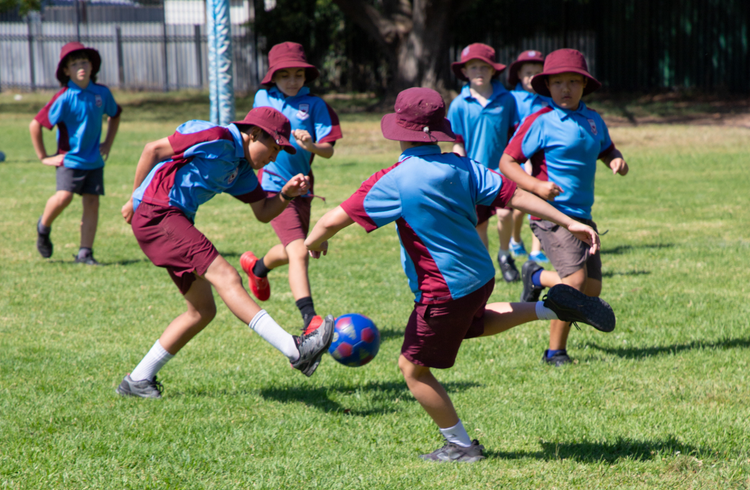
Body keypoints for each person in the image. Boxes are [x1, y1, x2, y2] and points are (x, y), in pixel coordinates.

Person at [304, 87, 616, 461]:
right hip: (479, 277)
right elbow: (515, 195)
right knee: (475, 323)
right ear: (438, 132)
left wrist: (314, 242)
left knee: (413, 370)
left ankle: (461, 446)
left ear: (401, 132)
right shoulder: (463, 166)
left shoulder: (394, 179)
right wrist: (569, 221)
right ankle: (554, 308)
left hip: (442, 288)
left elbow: (331, 220)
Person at [116, 107, 334, 399]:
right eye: (272, 148)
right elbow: (152, 149)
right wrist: (134, 197)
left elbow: (263, 212)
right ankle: (295, 349)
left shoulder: (242, 171)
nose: (274, 157)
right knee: (227, 276)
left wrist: (285, 195)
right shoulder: (216, 136)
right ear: (253, 134)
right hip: (159, 213)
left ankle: (138, 379)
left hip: (171, 219)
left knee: (202, 311)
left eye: (279, 152)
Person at [499, 49, 629, 366]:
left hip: (583, 216)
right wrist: (535, 186)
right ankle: (554, 351)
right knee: (574, 285)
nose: (566, 88)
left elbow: (606, 148)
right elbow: (507, 161)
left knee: (592, 289)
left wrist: (615, 159)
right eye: (558, 82)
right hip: (550, 215)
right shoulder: (540, 121)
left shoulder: (593, 120)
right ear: (547, 87)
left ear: (585, 85)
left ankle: (536, 276)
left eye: (573, 81)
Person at [240, 42, 342, 331]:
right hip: (272, 186)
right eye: (285, 75)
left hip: (302, 187)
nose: (293, 80)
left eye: (298, 74)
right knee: (299, 250)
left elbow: (329, 150)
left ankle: (258, 267)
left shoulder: (316, 105)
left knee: (297, 248)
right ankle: (310, 320)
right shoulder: (261, 98)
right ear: (273, 77)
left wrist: (312, 145)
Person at [30, 42, 122, 265]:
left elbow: (115, 114)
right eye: (74, 64)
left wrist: (107, 143)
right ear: (66, 70)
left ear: (92, 66)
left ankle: (85, 253)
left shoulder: (101, 93)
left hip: (94, 161)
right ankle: (43, 226)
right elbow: (36, 124)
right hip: (69, 159)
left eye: (84, 62)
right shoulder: (64, 97)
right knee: (64, 196)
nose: (80, 67)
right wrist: (44, 157)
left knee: (92, 203)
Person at [447, 43, 520, 283]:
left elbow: (514, 136)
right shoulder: (459, 104)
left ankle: (505, 254)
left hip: (502, 171)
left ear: (493, 71)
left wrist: (518, 166)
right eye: (473, 67)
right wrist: (459, 168)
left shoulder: (507, 99)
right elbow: (457, 141)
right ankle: (484, 266)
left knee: (505, 215)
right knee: (479, 225)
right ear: (465, 72)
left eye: (484, 67)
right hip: (473, 174)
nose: (479, 71)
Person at [507, 50, 551, 264]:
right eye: (528, 73)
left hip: (540, 158)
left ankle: (536, 249)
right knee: (520, 203)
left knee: (539, 200)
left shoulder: (548, 99)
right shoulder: (511, 99)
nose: (532, 77)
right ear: (519, 75)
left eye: (537, 72)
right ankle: (515, 240)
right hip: (518, 158)